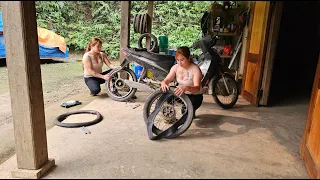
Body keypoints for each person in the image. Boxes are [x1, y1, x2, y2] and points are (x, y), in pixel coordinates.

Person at [160, 46, 203, 117]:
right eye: (177, 60)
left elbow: (197, 88)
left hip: (195, 96)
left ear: (189, 58)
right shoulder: (175, 67)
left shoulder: (195, 69)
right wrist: (164, 82)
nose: (180, 63)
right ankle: (170, 116)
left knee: (185, 112)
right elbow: (167, 79)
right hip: (181, 94)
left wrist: (186, 88)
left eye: (182, 60)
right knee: (168, 96)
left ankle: (191, 111)